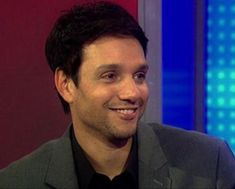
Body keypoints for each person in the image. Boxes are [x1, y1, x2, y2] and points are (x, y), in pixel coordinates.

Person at [0, 1, 235, 189]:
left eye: (139, 75)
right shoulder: (16, 182)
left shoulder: (209, 164)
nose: (133, 93)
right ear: (66, 84)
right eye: (110, 75)